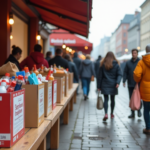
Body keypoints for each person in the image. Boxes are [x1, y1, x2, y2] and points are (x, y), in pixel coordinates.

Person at [97, 52, 122, 121]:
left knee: (106, 99)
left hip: (105, 84)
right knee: (112, 99)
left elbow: (100, 76)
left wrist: (98, 86)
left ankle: (106, 114)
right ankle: (112, 113)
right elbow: (119, 74)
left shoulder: (103, 64)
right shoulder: (116, 64)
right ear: (113, 56)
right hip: (113, 84)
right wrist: (117, 82)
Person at [134, 44, 150, 134]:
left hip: (145, 89)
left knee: (146, 109)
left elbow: (136, 74)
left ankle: (148, 128)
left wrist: (138, 79)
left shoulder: (141, 62)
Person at [123, 49, 141, 118]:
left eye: (135, 53)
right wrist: (124, 81)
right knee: (131, 98)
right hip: (130, 83)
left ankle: (139, 111)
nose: (134, 54)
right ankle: (132, 113)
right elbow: (125, 72)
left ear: (137, 54)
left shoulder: (140, 62)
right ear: (131, 54)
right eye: (133, 53)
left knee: (138, 97)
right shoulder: (128, 63)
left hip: (138, 83)